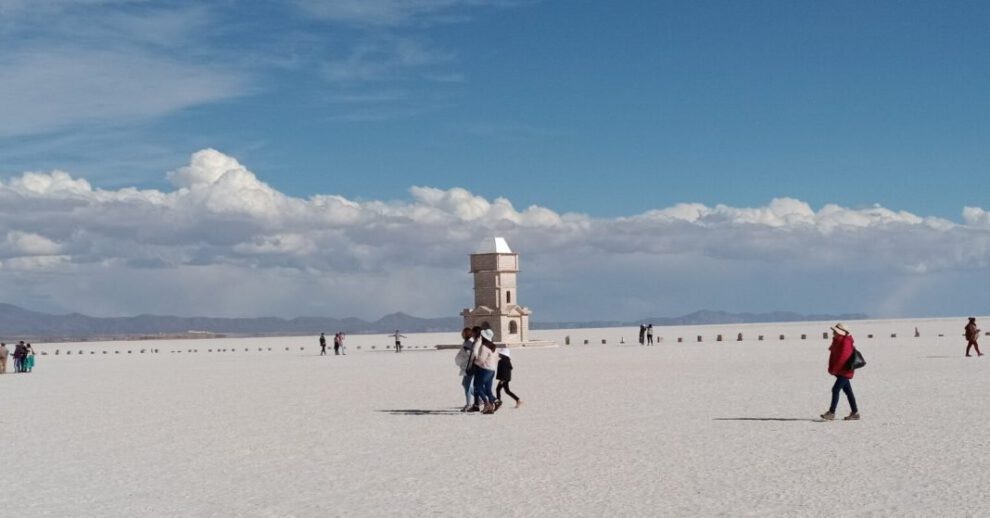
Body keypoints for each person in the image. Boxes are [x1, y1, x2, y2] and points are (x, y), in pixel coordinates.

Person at [821, 323, 859, 421]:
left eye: (835, 331)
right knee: (848, 391)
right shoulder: (838, 340)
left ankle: (831, 413)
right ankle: (855, 412)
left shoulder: (845, 341)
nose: (833, 333)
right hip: (841, 370)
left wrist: (835, 369)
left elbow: (843, 357)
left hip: (845, 370)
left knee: (835, 389)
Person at [472, 328, 500, 414]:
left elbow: (481, 359)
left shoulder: (484, 347)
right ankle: (491, 407)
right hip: (492, 370)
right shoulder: (494, 346)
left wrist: (474, 362)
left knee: (477, 386)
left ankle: (486, 403)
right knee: (488, 389)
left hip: (485, 370)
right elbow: (496, 358)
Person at [455, 328, 476, 412]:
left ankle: (469, 404)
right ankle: (480, 399)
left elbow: (469, 355)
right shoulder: (467, 343)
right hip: (466, 367)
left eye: (463, 333)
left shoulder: (468, 344)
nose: (462, 335)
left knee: (467, 385)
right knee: (465, 384)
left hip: (469, 367)